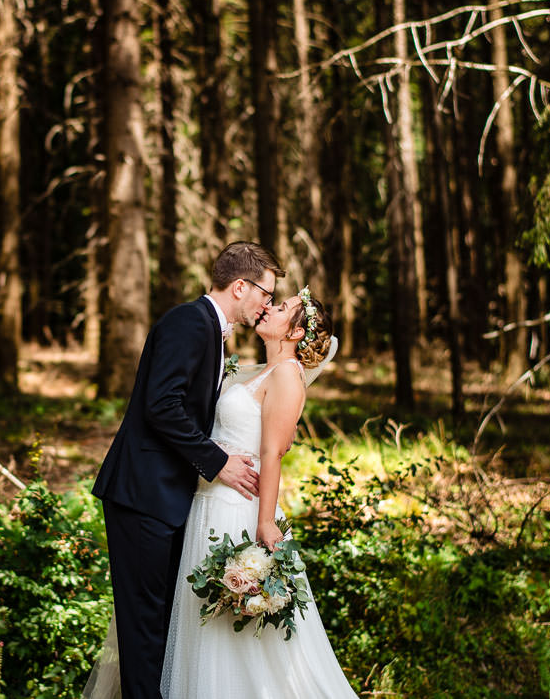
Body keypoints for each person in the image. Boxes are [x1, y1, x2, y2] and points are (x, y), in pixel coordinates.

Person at [86, 288, 359, 699]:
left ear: (297, 331)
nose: (269, 307)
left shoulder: (286, 376)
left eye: (281, 307)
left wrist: (265, 522)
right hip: (204, 505)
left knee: (229, 634)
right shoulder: (260, 371)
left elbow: (272, 453)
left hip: (238, 509)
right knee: (198, 624)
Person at [90, 242, 285, 699]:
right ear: (241, 286)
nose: (267, 304)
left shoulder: (209, 331)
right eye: (265, 293)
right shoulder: (188, 322)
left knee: (159, 625)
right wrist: (218, 463)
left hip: (167, 498)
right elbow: (162, 406)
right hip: (143, 496)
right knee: (144, 633)